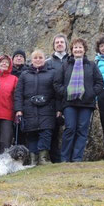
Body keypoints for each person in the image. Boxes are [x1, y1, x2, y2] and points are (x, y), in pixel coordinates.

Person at [54, 38, 103, 162]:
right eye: (75, 47)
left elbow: (99, 82)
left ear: (84, 49)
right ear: (71, 50)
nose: (78, 50)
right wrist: (66, 92)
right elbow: (57, 83)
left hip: (86, 103)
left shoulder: (91, 65)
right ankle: (64, 159)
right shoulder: (65, 65)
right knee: (70, 128)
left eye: (80, 47)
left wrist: (91, 93)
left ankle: (77, 158)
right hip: (69, 103)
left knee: (82, 130)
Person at [14, 49, 57, 165]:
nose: (38, 60)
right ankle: (33, 159)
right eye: (35, 58)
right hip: (29, 109)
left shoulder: (52, 73)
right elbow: (18, 93)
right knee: (31, 134)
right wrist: (18, 110)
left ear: (45, 59)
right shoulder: (24, 74)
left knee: (46, 133)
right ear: (31, 60)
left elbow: (56, 92)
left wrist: (58, 109)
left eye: (40, 58)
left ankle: (43, 158)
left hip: (47, 109)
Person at [44, 34, 69, 163]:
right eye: (57, 42)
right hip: (53, 100)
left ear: (66, 44)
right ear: (53, 45)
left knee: (70, 129)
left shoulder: (72, 60)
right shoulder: (48, 63)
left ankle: (68, 157)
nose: (59, 44)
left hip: (70, 99)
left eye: (62, 42)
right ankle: (55, 160)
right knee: (53, 132)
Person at [0, 54, 18, 157]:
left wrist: (17, 111)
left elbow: (16, 96)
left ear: (10, 65)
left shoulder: (14, 79)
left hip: (7, 115)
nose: (4, 63)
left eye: (6, 62)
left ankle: (4, 167)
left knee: (5, 143)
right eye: (2, 62)